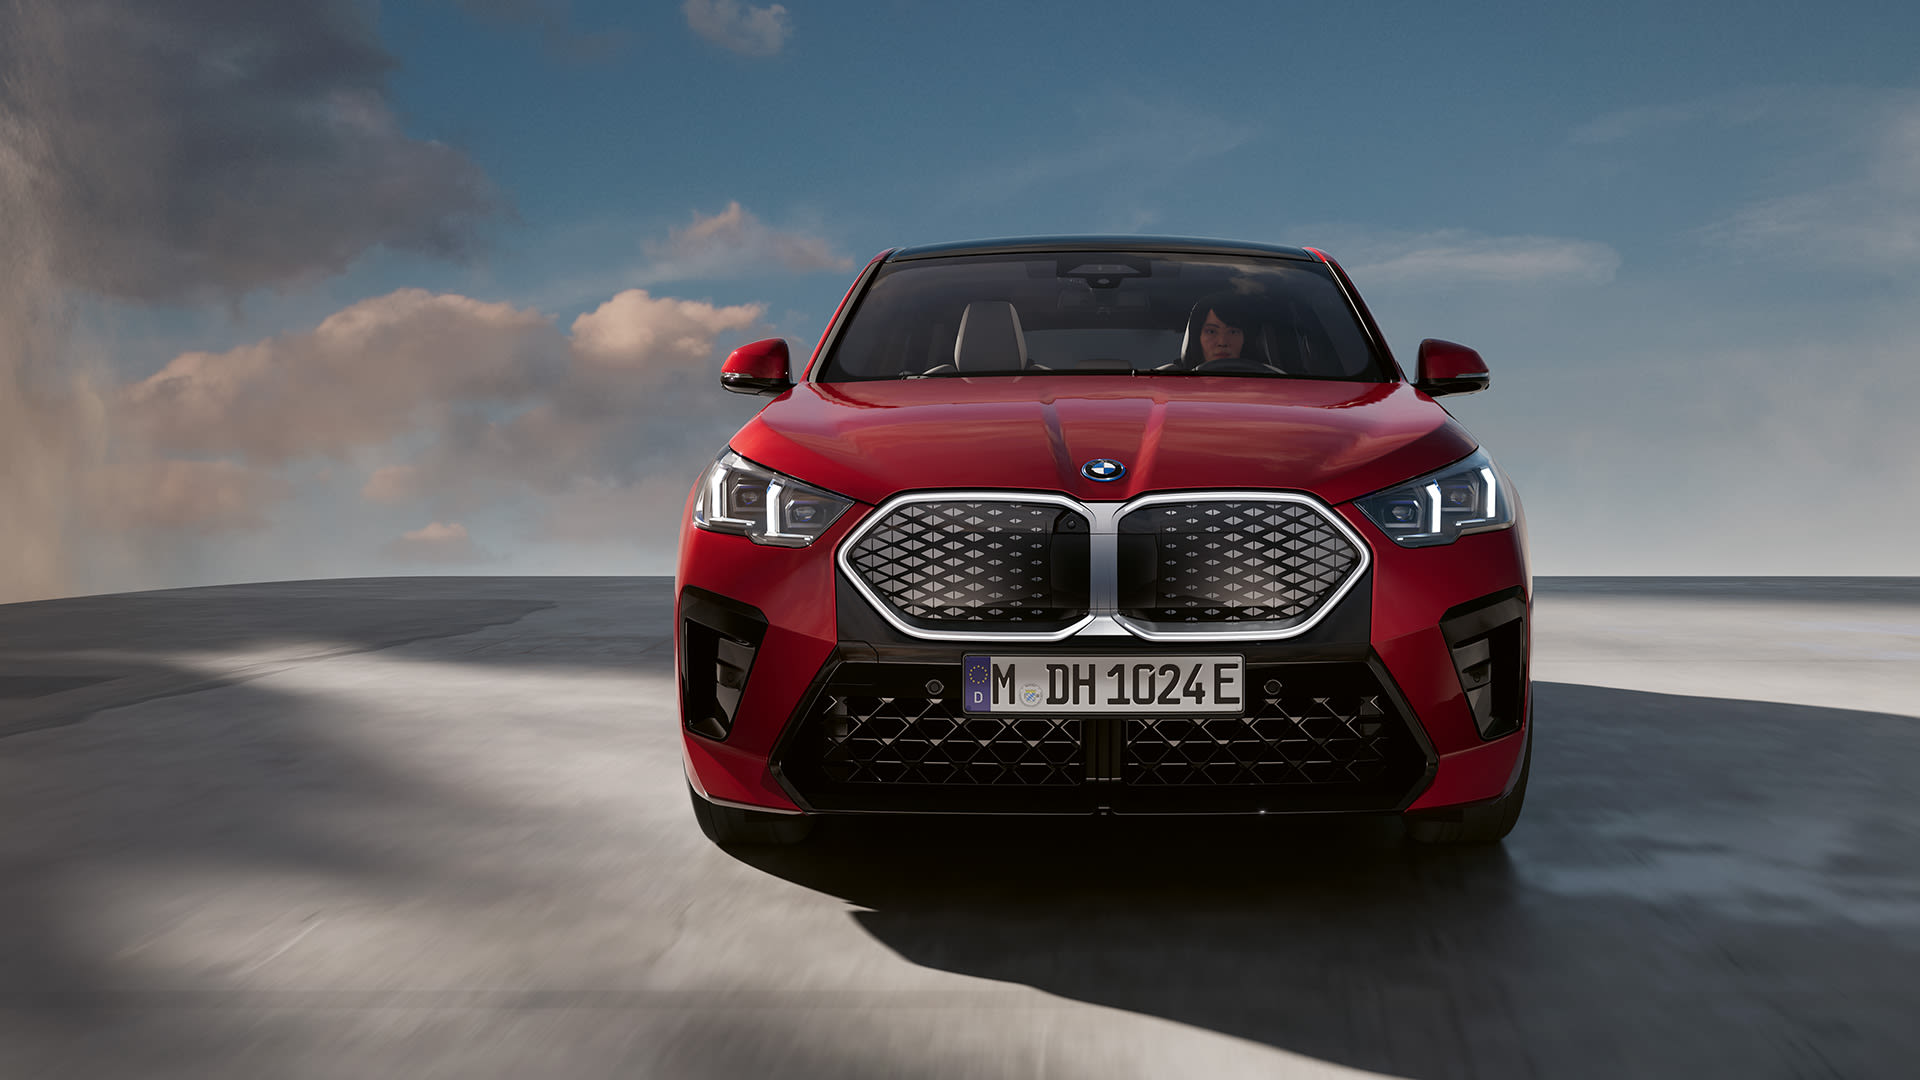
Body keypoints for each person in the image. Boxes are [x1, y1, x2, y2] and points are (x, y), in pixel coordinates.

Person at [1179, 293, 1261, 368]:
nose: (1222, 342)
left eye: (1232, 332)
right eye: (1211, 331)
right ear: (1196, 337)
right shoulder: (1172, 379)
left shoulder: (1268, 378)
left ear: (1246, 338)